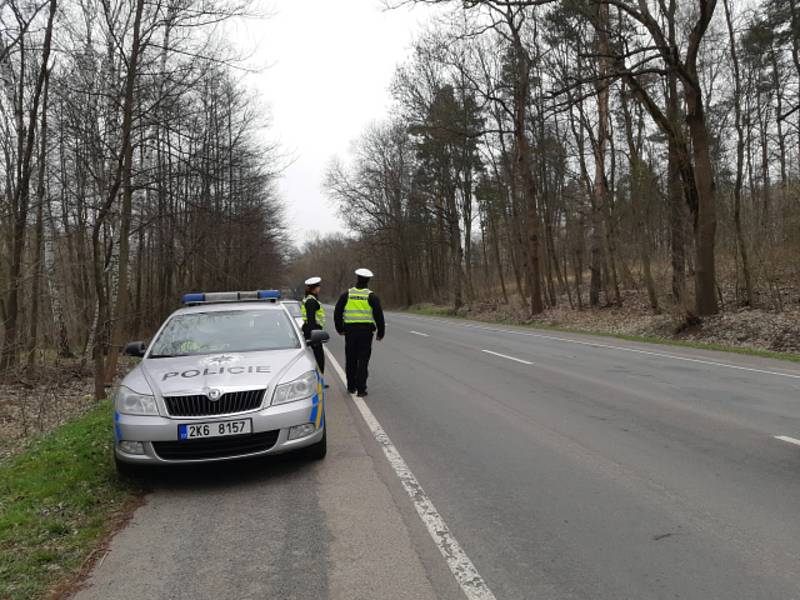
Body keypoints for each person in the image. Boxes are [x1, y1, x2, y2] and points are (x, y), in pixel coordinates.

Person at [333, 268, 385, 397]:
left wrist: (340, 329)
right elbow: (379, 316)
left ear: (357, 279)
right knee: (363, 360)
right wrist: (380, 332)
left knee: (350, 359)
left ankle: (351, 387)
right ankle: (361, 389)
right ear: (368, 281)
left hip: (350, 332)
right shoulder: (371, 296)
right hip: (366, 333)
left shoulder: (346, 295)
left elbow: (337, 313)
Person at [301, 276, 326, 374]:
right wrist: (314, 335)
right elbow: (311, 319)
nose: (319, 288)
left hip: (311, 329)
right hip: (313, 330)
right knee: (318, 356)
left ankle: (319, 379)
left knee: (316, 355)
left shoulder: (310, 299)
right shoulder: (311, 301)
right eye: (318, 287)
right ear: (315, 288)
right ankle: (320, 380)